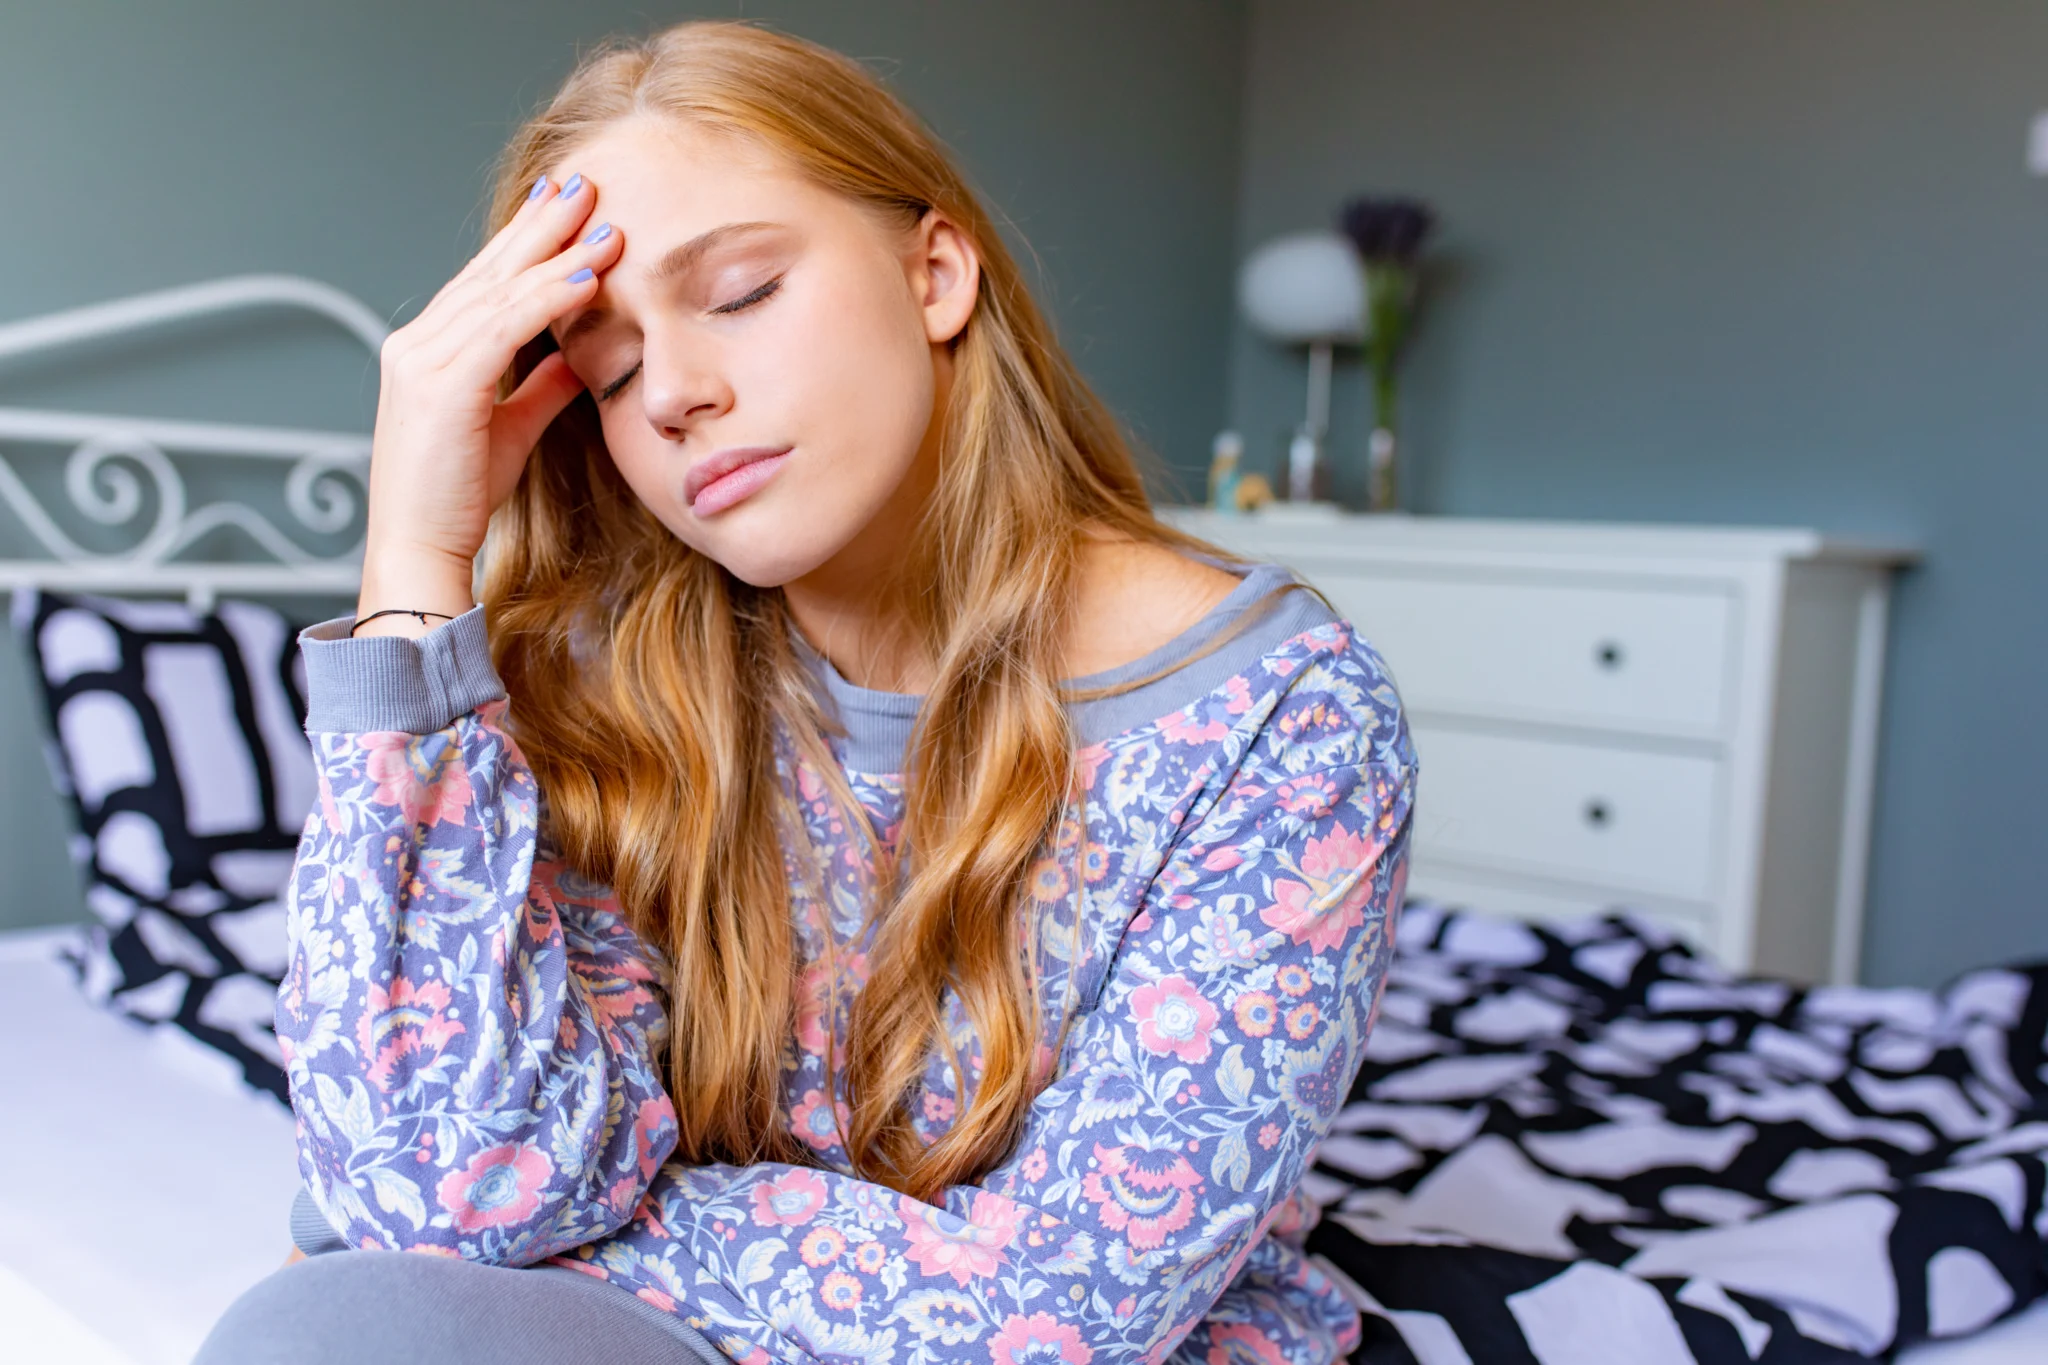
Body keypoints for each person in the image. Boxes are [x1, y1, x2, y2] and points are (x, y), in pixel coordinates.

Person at [196, 20, 1416, 1365]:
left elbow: (1046, 1319)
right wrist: (415, 563)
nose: (671, 393)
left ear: (936, 272)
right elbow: (436, 1187)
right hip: (681, 1338)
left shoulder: (1279, 716)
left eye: (741, 293)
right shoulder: (608, 682)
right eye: (607, 369)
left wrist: (583, 1226)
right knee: (330, 1333)